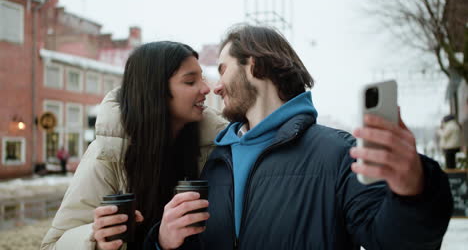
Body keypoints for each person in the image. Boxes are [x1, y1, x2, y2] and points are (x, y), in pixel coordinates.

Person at [145, 25, 453, 250]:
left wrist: (414, 194)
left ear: (254, 65)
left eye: (223, 69)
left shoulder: (338, 154)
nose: (215, 86)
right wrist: (162, 243)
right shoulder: (216, 159)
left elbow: (393, 242)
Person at [41, 41, 227, 250]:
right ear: (156, 90)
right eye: (190, 81)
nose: (206, 88)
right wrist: (96, 239)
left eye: (201, 77)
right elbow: (52, 245)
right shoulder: (108, 153)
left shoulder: (217, 146)